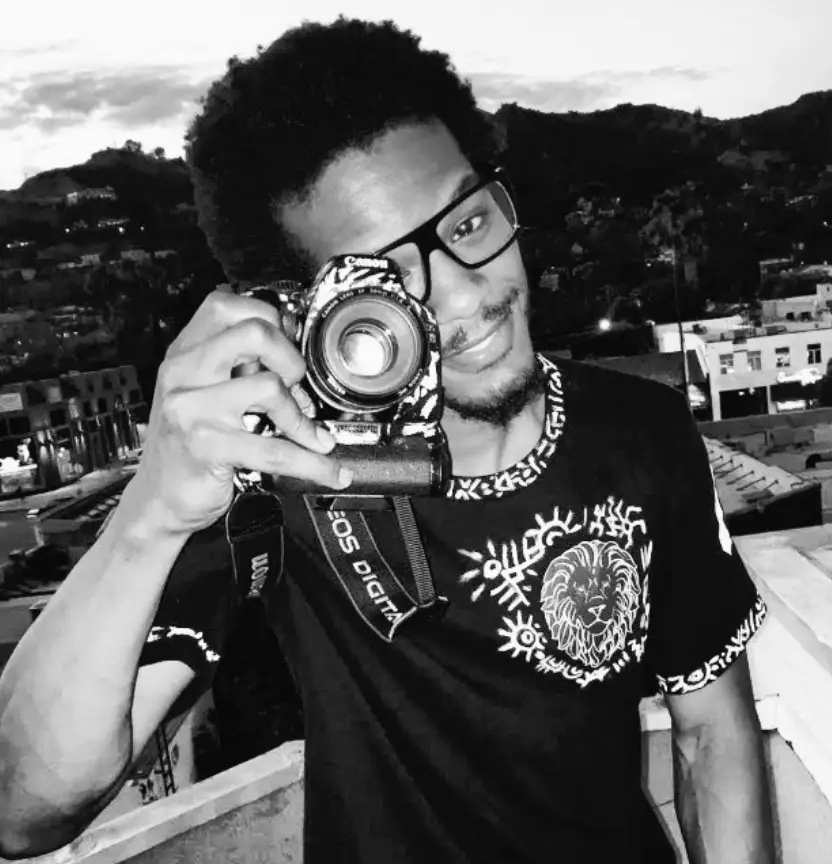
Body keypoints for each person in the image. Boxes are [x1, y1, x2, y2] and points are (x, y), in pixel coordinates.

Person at [0, 17, 773, 864]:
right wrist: (147, 515)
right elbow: (22, 809)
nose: (467, 295)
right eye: (390, 278)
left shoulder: (643, 431)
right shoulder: (288, 472)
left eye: (467, 225)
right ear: (313, 314)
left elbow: (712, 735)